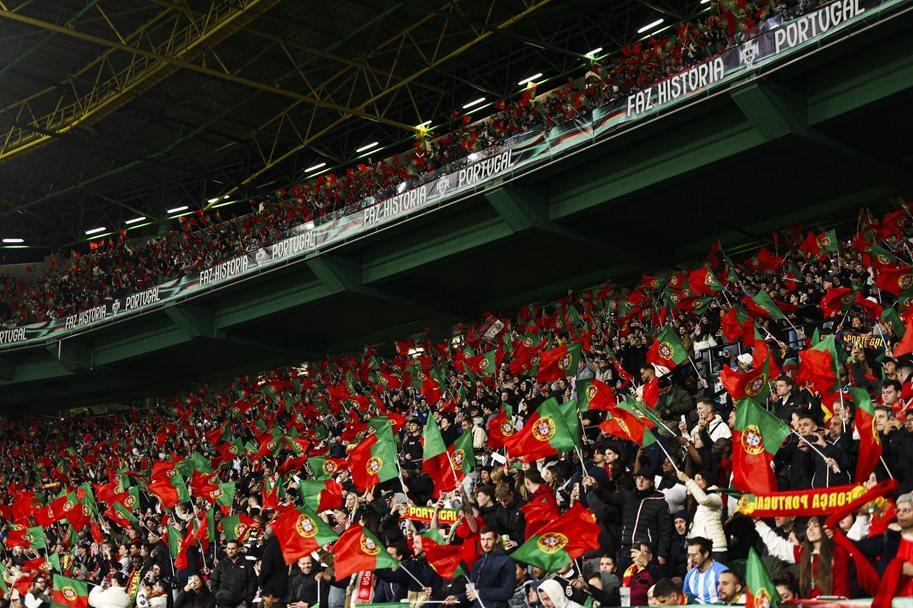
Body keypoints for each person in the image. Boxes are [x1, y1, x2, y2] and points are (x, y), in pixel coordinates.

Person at [446, 527, 514, 608]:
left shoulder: (506, 561)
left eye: (489, 539)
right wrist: (457, 597)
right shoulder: (478, 562)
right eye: (483, 539)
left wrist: (480, 593)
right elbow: (473, 592)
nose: (485, 543)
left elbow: (507, 592)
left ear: (497, 540)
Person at [677, 470, 727, 563]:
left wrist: (687, 480)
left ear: (707, 481)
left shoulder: (716, 497)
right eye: (694, 479)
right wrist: (690, 559)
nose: (695, 482)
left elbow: (704, 499)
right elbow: (693, 530)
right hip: (700, 550)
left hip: (715, 549)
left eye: (699, 479)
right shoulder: (695, 505)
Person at [682, 537, 728, 604]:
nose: (691, 559)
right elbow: (685, 597)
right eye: (689, 555)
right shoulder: (690, 574)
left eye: (694, 555)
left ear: (706, 554)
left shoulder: (722, 572)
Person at [210, 541, 256, 608]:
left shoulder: (247, 564)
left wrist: (248, 599)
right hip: (223, 603)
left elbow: (253, 583)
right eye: (228, 548)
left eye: (233, 548)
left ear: (238, 549)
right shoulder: (220, 564)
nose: (230, 551)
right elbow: (213, 581)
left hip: (241, 602)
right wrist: (218, 596)